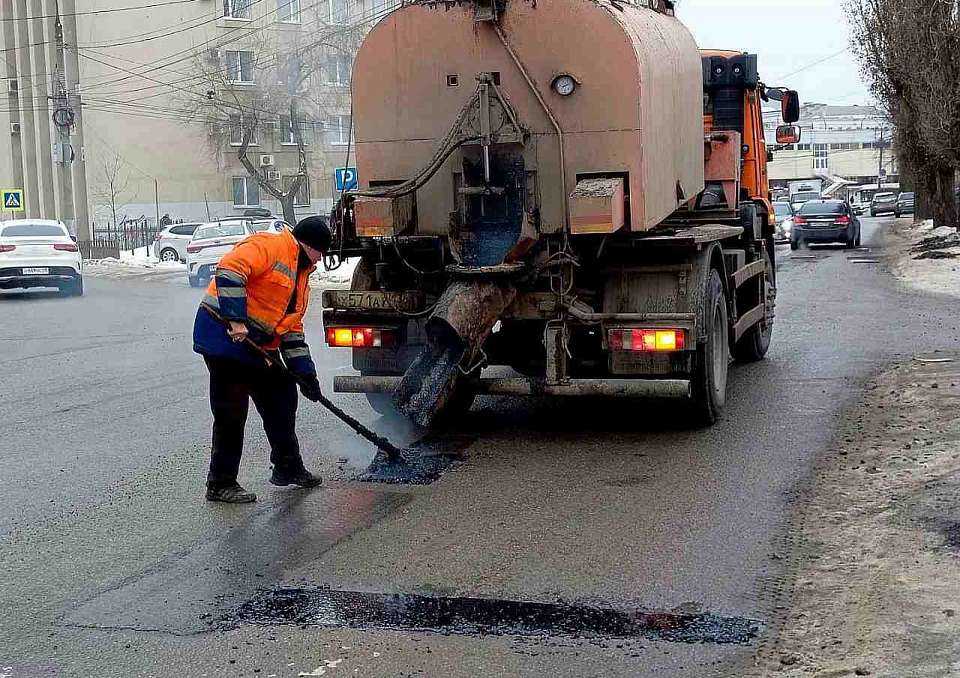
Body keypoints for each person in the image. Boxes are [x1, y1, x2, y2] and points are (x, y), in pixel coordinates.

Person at [192, 215, 331, 503]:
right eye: (321, 253)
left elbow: (291, 329)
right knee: (231, 411)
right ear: (310, 245)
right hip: (224, 336)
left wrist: (306, 374)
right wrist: (236, 319)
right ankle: (220, 483)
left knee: (281, 395)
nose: (321, 260)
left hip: (256, 345)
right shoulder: (269, 245)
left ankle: (288, 467)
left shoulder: (301, 277)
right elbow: (229, 270)